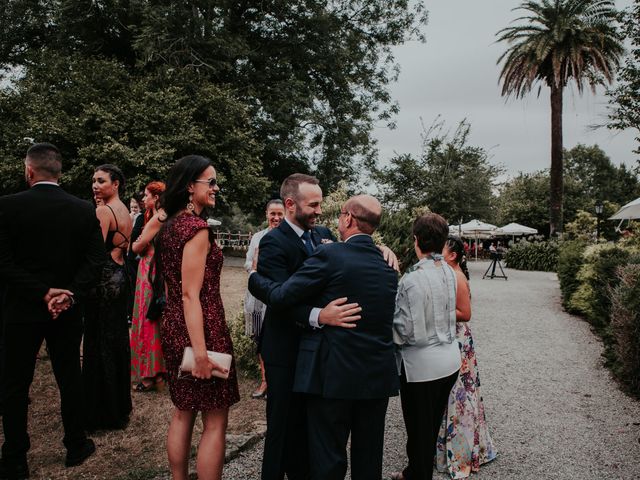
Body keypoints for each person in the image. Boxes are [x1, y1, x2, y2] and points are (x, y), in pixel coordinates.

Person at [250, 195, 399, 480]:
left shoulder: (331, 255)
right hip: (377, 377)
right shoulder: (388, 266)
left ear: (348, 219)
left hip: (334, 375)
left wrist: (255, 276)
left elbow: (282, 295)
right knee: (369, 462)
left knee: (328, 459)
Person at [0, 143, 105, 478]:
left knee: (15, 384)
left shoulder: (7, 207)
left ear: (29, 171)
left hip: (20, 310)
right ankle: (76, 445)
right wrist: (67, 294)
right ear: (59, 172)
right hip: (68, 311)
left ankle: (15, 457)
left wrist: (42, 292)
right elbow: (96, 261)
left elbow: (3, 264)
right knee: (69, 377)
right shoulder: (82, 209)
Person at [155, 155, 239, 480]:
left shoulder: (171, 226)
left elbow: (172, 288)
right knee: (215, 420)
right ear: (191, 186)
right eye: (211, 182)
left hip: (175, 325)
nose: (216, 188)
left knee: (183, 412)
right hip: (203, 328)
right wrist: (201, 354)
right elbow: (191, 294)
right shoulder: (196, 229)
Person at [248, 173, 336, 480]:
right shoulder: (273, 243)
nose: (319, 211)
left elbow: (344, 261)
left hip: (317, 349)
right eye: (313, 205)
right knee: (281, 424)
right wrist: (318, 316)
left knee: (307, 424)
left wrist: (380, 251)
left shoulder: (322, 234)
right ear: (290, 204)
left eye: (320, 204)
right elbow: (282, 299)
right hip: (284, 348)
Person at [392, 213, 461, 480]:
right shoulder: (449, 272)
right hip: (449, 361)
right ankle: (414, 471)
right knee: (430, 426)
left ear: (416, 239)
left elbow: (404, 330)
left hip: (421, 368)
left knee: (418, 430)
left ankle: (417, 475)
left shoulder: (411, 279)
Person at [436, 236, 497, 478]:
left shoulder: (458, 277)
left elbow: (466, 313)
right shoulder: (449, 274)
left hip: (458, 340)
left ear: (452, 255)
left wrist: (437, 313)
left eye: (442, 250)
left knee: (459, 393)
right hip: (452, 337)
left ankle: (460, 451)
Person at [83, 164, 133, 432]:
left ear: (115, 184)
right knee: (116, 341)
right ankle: (119, 407)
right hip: (120, 276)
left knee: (99, 341)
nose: (95, 185)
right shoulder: (123, 209)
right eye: (93, 180)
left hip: (103, 279)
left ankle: (101, 412)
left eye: (101, 180)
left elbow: (94, 251)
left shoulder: (104, 211)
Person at [243, 199, 285, 399]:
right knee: (259, 338)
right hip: (258, 296)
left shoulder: (287, 237)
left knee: (275, 339)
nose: (276, 218)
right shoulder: (258, 237)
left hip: (277, 296)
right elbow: (248, 263)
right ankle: (264, 381)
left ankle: (275, 382)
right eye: (272, 214)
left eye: (280, 214)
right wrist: (255, 266)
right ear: (266, 214)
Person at [130, 181, 167, 392]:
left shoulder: (157, 218)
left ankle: (149, 375)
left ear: (156, 198)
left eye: (146, 195)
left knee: (147, 320)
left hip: (149, 271)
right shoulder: (169, 216)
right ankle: (160, 372)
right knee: (158, 319)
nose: (143, 199)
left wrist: (137, 242)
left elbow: (137, 246)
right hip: (160, 271)